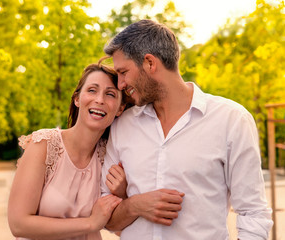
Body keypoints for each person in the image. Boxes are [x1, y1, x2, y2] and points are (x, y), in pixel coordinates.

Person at [101, 19, 273, 240]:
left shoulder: (231, 120)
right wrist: (135, 205)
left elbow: (253, 213)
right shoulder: (122, 125)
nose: (121, 84)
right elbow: (107, 217)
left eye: (123, 72)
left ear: (150, 63)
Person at [8, 62, 127, 240]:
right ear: (77, 99)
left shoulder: (110, 155)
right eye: (92, 90)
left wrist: (124, 193)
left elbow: (119, 229)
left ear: (120, 108)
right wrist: (91, 223)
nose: (100, 99)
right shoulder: (44, 145)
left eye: (110, 94)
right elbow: (18, 224)